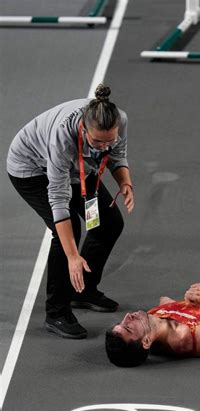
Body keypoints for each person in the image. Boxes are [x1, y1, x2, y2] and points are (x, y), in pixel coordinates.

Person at [7, 84, 134, 340]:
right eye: (96, 141)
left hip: (77, 170)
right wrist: (73, 257)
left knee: (109, 223)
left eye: (108, 140)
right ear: (83, 129)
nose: (102, 147)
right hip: (32, 169)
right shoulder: (62, 136)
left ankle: (83, 292)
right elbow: (58, 197)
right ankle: (56, 312)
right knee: (68, 232)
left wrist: (124, 181)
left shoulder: (119, 119)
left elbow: (117, 154)